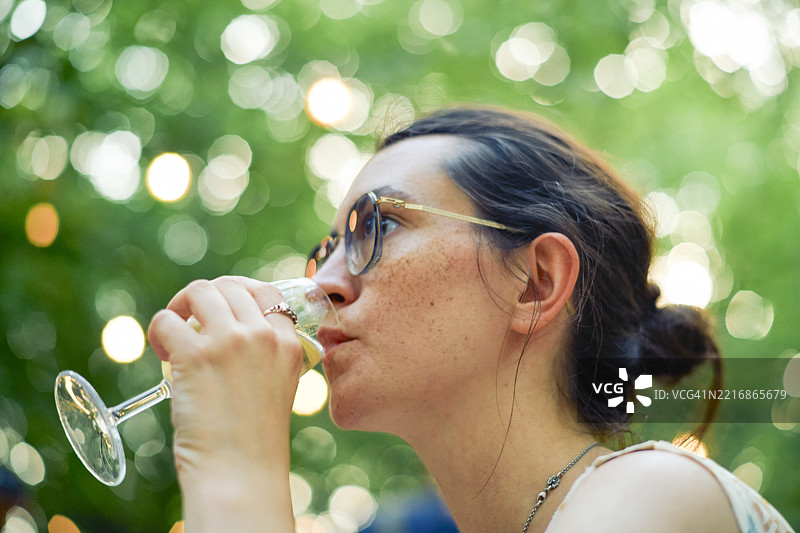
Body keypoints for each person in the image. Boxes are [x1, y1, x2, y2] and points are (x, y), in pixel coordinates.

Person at [147, 106, 795, 532]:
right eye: (327, 248)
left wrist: (237, 468)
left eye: (378, 225)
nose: (322, 283)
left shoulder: (660, 496)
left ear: (536, 283)